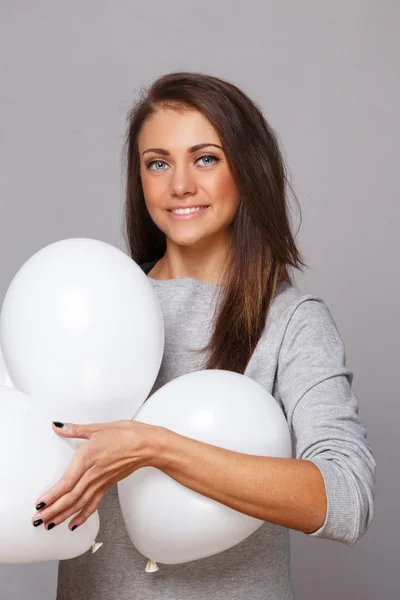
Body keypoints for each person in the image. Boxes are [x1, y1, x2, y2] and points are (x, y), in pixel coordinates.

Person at [33, 72, 375, 600]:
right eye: (158, 163)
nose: (180, 185)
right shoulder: (87, 309)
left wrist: (156, 448)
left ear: (247, 168)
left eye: (207, 158)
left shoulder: (289, 321)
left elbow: (347, 501)